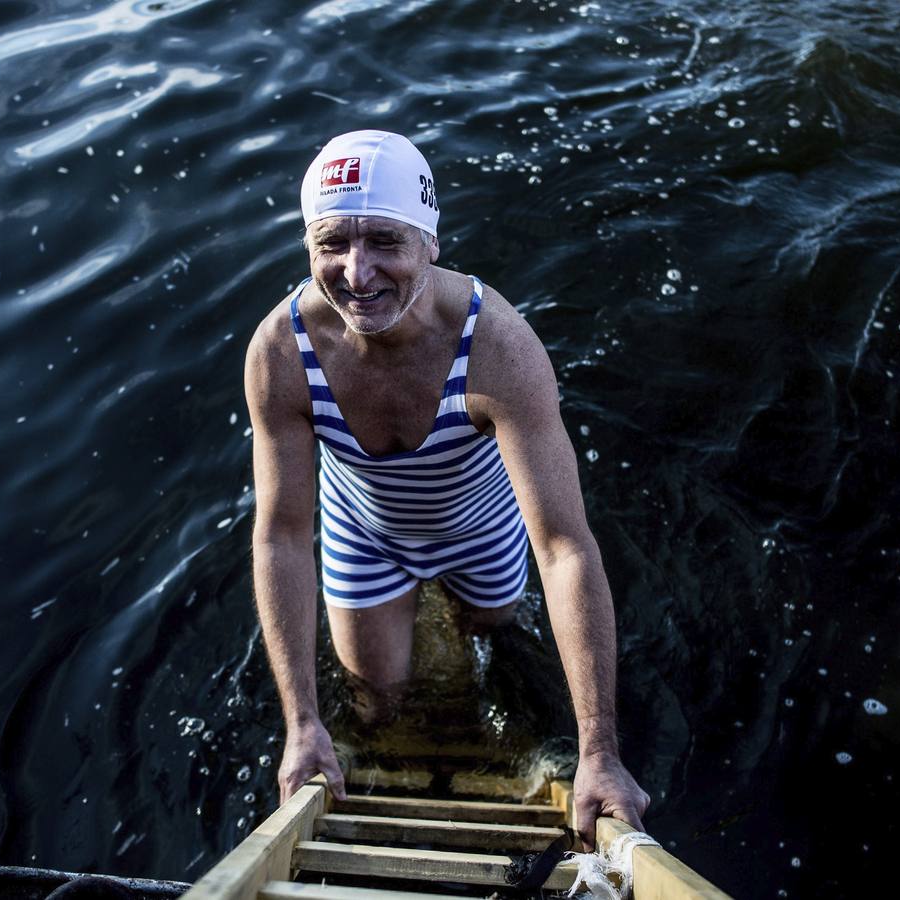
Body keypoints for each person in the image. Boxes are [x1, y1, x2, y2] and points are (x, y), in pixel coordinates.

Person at [243, 129, 650, 846]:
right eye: (332, 243)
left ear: (430, 241)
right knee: (378, 701)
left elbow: (561, 547)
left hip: (480, 527)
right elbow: (280, 534)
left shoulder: (497, 347)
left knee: (491, 640)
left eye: (384, 243)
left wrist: (600, 754)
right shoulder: (282, 351)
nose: (357, 273)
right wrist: (300, 724)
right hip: (363, 534)